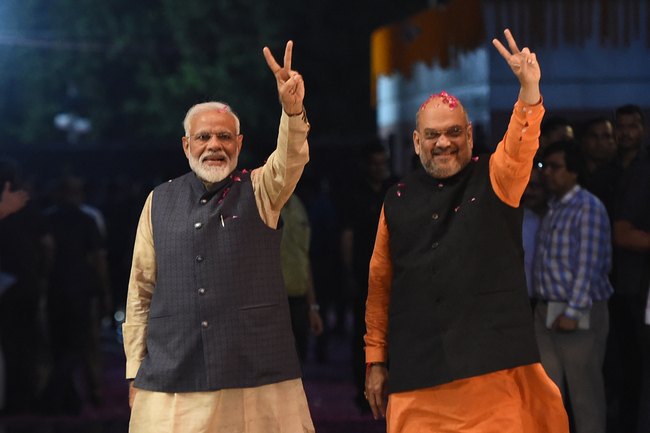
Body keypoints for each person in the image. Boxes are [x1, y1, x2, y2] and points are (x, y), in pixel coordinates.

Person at [363, 29, 568, 432]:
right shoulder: (396, 200)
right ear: (417, 141)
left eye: (454, 132)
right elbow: (380, 285)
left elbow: (520, 145)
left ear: (469, 135)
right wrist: (375, 360)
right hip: (417, 377)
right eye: (434, 135)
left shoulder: (496, 177)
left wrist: (529, 90)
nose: (445, 142)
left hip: (492, 378)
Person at [123, 41, 315, 432]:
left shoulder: (262, 189)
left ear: (240, 144)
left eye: (225, 137)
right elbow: (140, 289)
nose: (214, 145)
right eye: (204, 137)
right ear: (186, 145)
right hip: (173, 373)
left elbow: (291, 158)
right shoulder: (158, 201)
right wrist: (133, 368)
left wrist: (292, 110)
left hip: (255, 371)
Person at [533, 140, 613, 433]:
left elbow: (587, 265)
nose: (547, 173)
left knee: (584, 394)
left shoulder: (587, 207)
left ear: (574, 172)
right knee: (548, 393)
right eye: (545, 166)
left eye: (555, 167)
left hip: (578, 310)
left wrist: (574, 311)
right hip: (547, 308)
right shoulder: (554, 207)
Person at [340, 141, 393, 412]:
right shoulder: (355, 195)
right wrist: (348, 274)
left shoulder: (394, 191)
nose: (379, 168)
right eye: (375, 163)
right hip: (363, 274)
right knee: (363, 335)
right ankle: (364, 391)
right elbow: (346, 236)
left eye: (383, 163)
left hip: (393, 275)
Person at [280, 193, 323, 364]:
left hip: (298, 302)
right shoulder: (260, 201)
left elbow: (303, 258)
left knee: (298, 367)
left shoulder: (298, 205)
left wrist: (312, 307)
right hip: (272, 305)